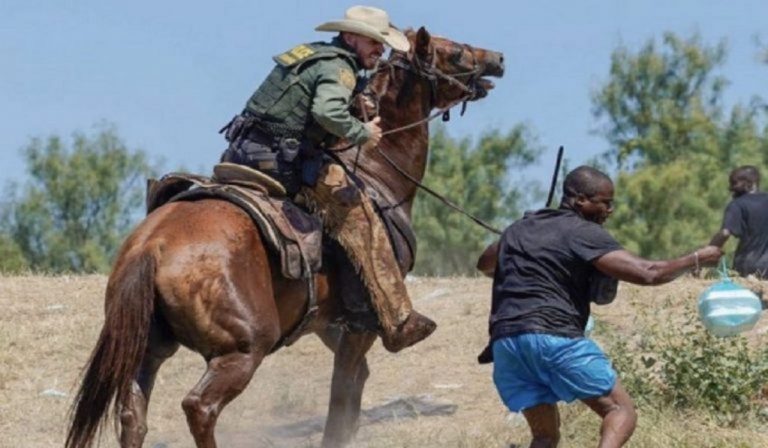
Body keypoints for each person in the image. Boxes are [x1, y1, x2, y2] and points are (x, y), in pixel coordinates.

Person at [219, 5, 435, 352]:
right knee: (361, 214)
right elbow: (325, 111)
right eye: (373, 42)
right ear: (350, 37)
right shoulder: (341, 67)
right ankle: (397, 320)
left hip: (243, 152)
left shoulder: (314, 55)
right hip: (284, 162)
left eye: (382, 43)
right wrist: (361, 132)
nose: (379, 50)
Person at [475, 166, 722, 448]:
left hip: (507, 346)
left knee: (544, 437)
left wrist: (526, 240)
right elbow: (648, 272)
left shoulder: (519, 228)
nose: (610, 209)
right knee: (620, 411)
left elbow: (485, 264)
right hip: (555, 337)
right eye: (605, 202)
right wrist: (696, 258)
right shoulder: (584, 232)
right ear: (580, 200)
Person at [708, 165, 768, 278]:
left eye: (734, 183)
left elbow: (725, 233)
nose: (731, 188)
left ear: (750, 183)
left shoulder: (737, 205)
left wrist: (709, 250)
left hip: (748, 266)